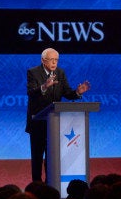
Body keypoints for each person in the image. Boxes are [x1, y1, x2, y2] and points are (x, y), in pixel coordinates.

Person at [26, 48, 91, 182]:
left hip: (54, 124)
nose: (54, 62)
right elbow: (31, 92)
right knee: (37, 158)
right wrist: (44, 86)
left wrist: (77, 92)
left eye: (56, 60)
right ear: (43, 60)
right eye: (51, 60)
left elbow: (67, 93)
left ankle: (51, 183)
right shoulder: (33, 72)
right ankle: (37, 186)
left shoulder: (60, 73)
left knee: (52, 158)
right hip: (37, 123)